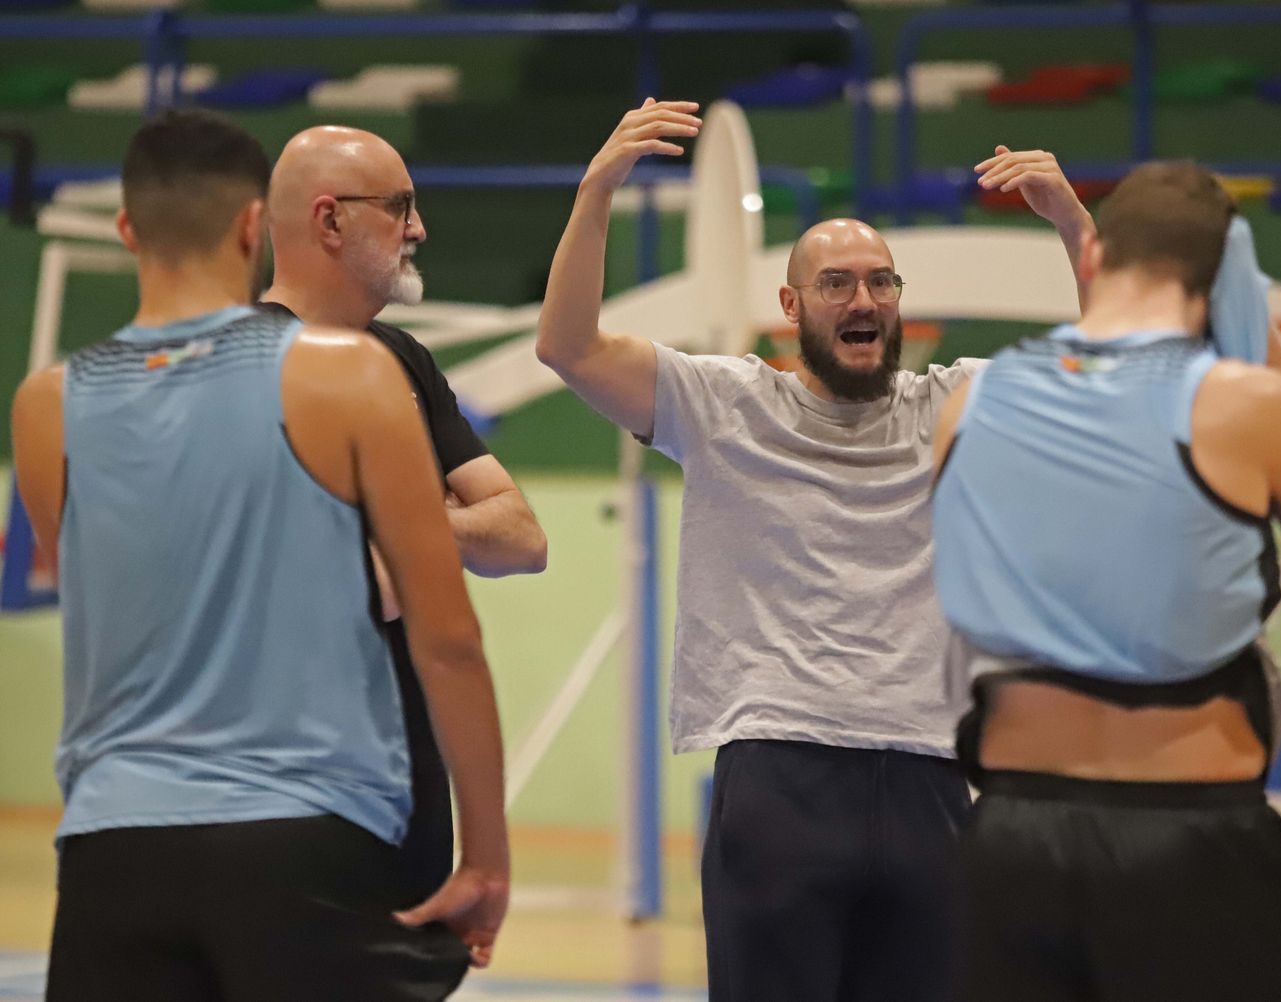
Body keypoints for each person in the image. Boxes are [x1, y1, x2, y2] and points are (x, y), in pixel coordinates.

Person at [535, 100, 1092, 1001]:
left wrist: (1073, 224)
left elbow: (1108, 382)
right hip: (778, 771)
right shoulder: (722, 406)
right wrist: (597, 190)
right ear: (792, 306)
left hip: (931, 775)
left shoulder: (953, 408)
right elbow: (566, 344)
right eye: (836, 283)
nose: (863, 298)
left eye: (880, 281)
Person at [11, 108, 509, 1001]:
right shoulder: (351, 374)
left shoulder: (46, 404)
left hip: (110, 845)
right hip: (304, 835)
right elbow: (448, 643)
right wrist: (488, 855)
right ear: (253, 227)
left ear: (126, 231)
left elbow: (96, 598)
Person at [931, 156, 1281, 1002]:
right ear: (1225, 278)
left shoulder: (975, 402)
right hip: (1188, 841)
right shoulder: (1244, 405)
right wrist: (1263, 349)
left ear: (1092, 261)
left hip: (1006, 837)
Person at [260, 125, 546, 901]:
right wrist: (434, 522)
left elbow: (521, 537)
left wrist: (401, 524)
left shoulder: (404, 359)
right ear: (330, 221)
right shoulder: (238, 367)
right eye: (400, 207)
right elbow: (353, 586)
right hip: (286, 789)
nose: (418, 229)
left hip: (408, 786)